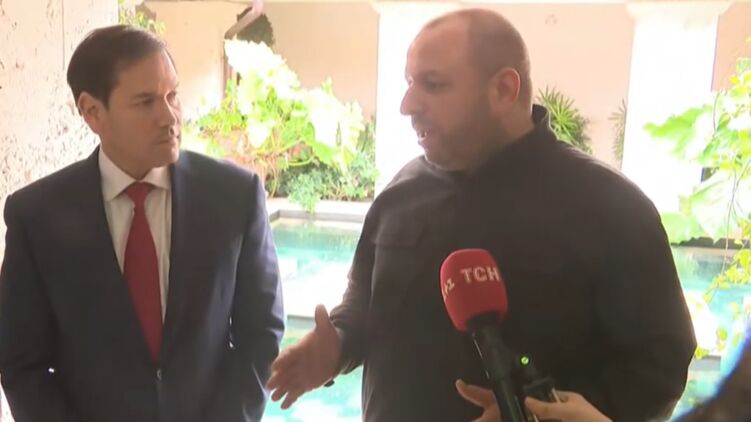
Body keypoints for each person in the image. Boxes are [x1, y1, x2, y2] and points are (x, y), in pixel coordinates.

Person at [267, 8, 696, 422]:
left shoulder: (611, 207)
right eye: (410, 83)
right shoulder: (400, 193)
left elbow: (659, 364)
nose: (407, 104)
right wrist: (338, 347)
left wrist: (539, 412)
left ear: (504, 90)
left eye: (433, 85)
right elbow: (362, 308)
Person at [0, 25, 284, 422]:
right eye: (145, 102)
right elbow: (20, 363)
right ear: (92, 112)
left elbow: (261, 334)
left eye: (172, 96)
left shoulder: (234, 197)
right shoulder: (37, 216)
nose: (169, 117)